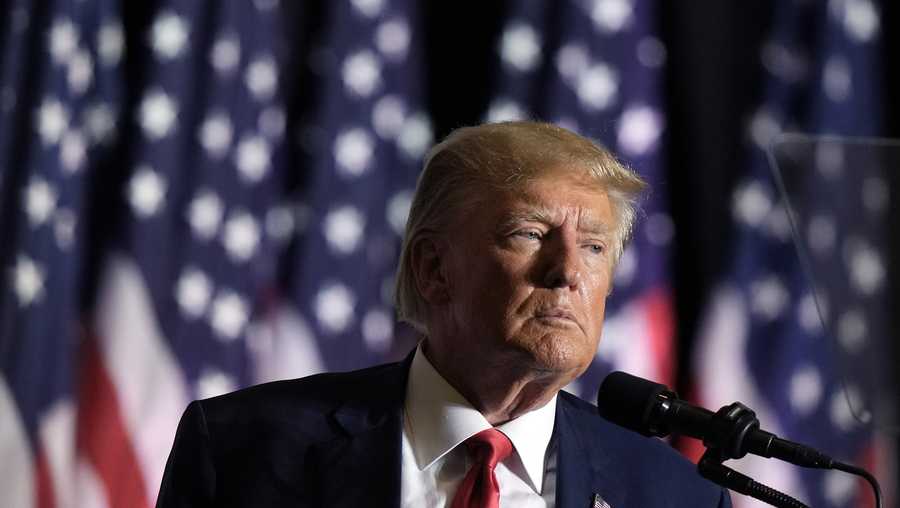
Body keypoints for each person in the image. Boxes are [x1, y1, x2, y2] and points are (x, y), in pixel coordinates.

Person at [156, 121, 731, 507]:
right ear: (434, 268)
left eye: (595, 247)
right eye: (531, 234)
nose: (568, 271)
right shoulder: (243, 451)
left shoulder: (672, 494)